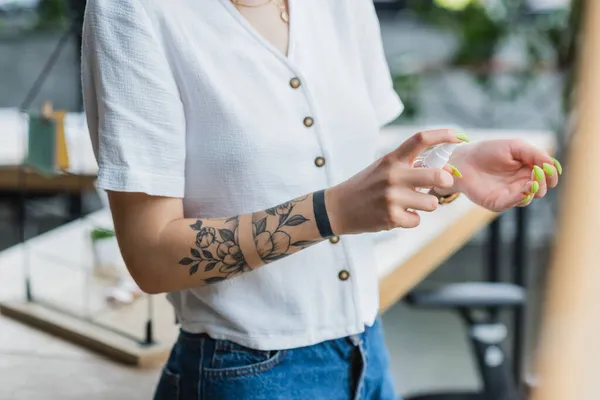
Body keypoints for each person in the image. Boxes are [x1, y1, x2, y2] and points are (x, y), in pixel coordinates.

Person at [80, 0, 561, 398]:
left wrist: (452, 164)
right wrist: (330, 213)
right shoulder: (136, 11)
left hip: (366, 353)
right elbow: (150, 254)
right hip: (245, 372)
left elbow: (337, 152)